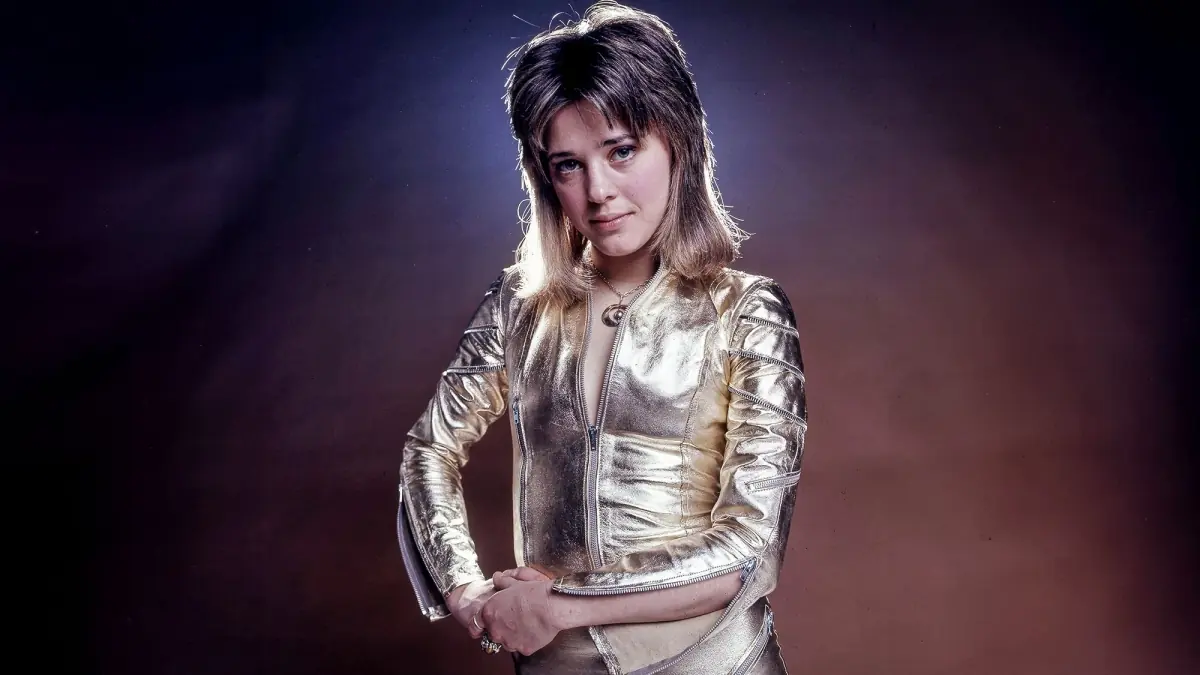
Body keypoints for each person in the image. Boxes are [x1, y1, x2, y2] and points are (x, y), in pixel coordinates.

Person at [396, 2, 807, 673]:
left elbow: (747, 552)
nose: (598, 191)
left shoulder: (747, 312)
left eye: (621, 151)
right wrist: (467, 592)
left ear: (677, 140)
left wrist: (560, 604)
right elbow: (428, 450)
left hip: (712, 662)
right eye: (568, 165)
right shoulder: (516, 308)